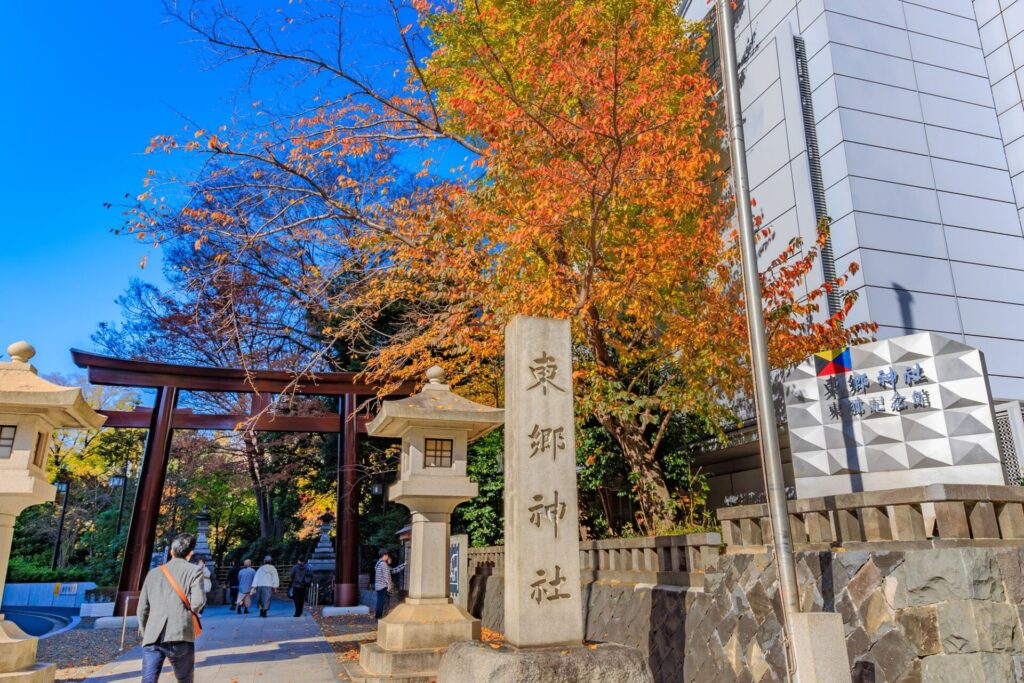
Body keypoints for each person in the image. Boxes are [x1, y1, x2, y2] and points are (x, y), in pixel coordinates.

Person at [137, 533, 206, 683]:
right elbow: (198, 602)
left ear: (171, 552)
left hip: (152, 636)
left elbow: (142, 608)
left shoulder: (153, 573)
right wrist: (186, 612)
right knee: (184, 678)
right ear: (190, 553)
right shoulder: (194, 571)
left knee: (148, 680)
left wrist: (145, 631)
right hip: (179, 633)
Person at [373, 549, 405, 620]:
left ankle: (378, 617)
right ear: (384, 555)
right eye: (387, 555)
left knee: (381, 602)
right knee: (383, 603)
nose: (388, 557)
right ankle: (380, 618)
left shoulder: (379, 563)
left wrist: (404, 565)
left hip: (379, 586)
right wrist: (389, 585)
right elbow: (386, 575)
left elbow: (393, 570)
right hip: (383, 586)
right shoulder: (383, 564)